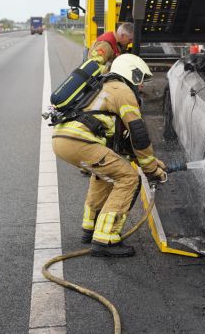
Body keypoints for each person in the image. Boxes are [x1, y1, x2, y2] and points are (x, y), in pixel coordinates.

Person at [52, 54, 167, 257]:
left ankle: (91, 227)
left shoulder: (102, 87)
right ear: (131, 72)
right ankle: (105, 238)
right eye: (139, 80)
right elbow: (138, 135)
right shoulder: (121, 91)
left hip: (63, 139)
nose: (141, 87)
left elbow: (125, 144)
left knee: (107, 174)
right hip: (80, 141)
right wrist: (150, 170)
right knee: (129, 178)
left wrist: (154, 163)